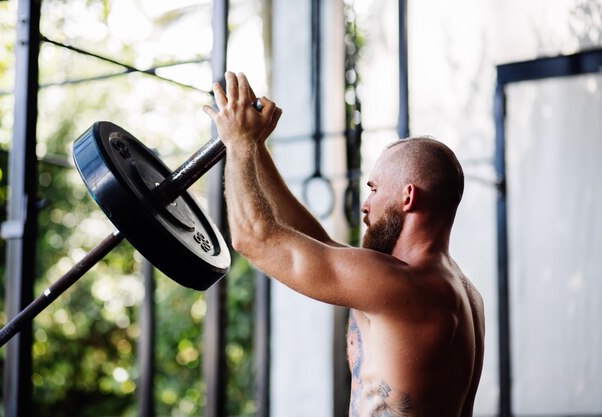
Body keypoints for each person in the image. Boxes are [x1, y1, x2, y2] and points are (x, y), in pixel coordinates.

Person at [203, 72, 485, 417]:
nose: (365, 205)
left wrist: (238, 143)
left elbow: (253, 239)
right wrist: (256, 148)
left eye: (374, 189)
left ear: (408, 197)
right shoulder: (458, 291)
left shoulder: (405, 286)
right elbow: (319, 244)